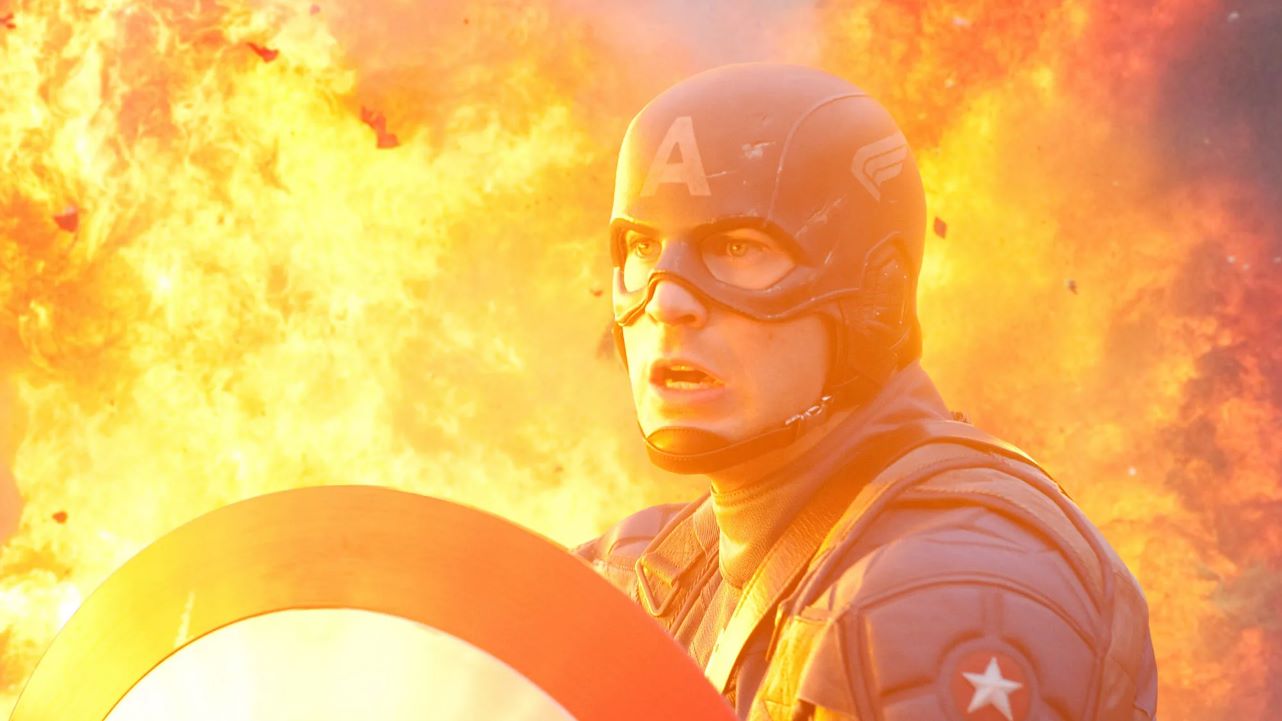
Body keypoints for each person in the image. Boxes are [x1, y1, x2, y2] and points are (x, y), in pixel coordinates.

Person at [573, 63, 1158, 721]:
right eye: (643, 247)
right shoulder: (654, 574)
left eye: (738, 247)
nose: (667, 301)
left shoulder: (947, 587)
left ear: (874, 299)